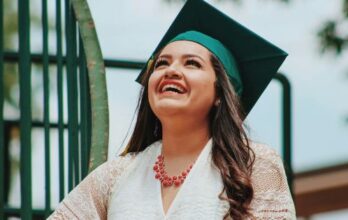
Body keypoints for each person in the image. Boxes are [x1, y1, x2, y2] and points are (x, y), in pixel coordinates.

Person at [49, 0, 295, 219]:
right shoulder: (116, 175)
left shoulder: (252, 165)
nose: (171, 70)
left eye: (191, 63)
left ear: (220, 93)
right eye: (162, 63)